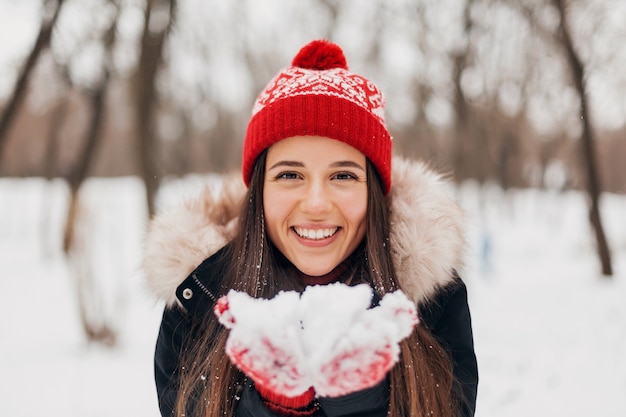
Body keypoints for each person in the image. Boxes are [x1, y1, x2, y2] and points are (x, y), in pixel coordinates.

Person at [142, 39, 478, 417]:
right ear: (260, 193)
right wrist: (273, 406)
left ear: (374, 194)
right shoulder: (198, 305)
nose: (316, 204)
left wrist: (354, 398)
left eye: (342, 175)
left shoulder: (431, 307)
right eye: (289, 174)